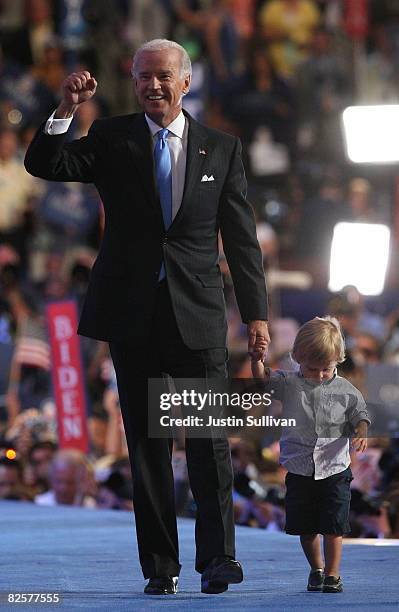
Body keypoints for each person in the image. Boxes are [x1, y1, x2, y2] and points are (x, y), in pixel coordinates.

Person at [24, 39, 270, 595]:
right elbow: (44, 163)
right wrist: (65, 110)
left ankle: (219, 560)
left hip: (199, 316)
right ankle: (161, 566)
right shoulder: (112, 137)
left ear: (185, 81)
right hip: (131, 314)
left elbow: (242, 239)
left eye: (162, 76)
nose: (151, 86)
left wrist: (256, 315)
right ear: (133, 81)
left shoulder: (222, 148)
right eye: (142, 77)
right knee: (147, 446)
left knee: (207, 442)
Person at [252, 316, 370, 593]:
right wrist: (257, 360)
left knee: (333, 526)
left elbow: (360, 414)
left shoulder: (346, 391)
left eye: (325, 370)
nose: (318, 375)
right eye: (311, 369)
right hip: (300, 470)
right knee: (306, 530)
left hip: (334, 469)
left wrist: (361, 431)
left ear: (338, 361)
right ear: (297, 359)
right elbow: (262, 381)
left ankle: (332, 574)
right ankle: (316, 569)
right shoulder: (289, 384)